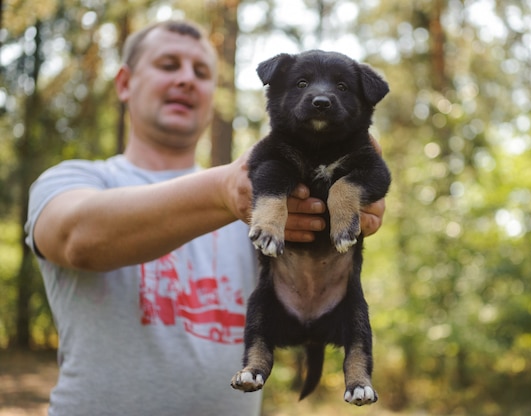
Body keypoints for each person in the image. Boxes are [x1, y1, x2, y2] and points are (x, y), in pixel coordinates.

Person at [25, 20, 385, 416]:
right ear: (125, 82)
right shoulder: (76, 179)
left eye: (200, 72)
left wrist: (351, 198)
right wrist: (223, 192)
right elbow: (78, 238)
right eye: (168, 64)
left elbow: (306, 285)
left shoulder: (255, 192)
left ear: (213, 94)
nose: (186, 79)